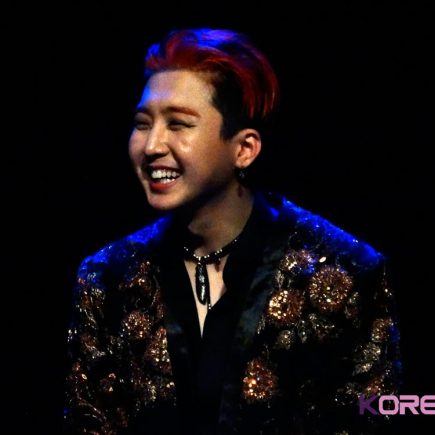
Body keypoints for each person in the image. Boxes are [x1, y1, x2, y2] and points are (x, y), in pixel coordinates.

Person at [64, 28, 401, 434]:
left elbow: (375, 415)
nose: (152, 146)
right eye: (142, 123)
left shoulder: (345, 271)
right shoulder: (107, 279)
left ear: (244, 149)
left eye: (178, 124)